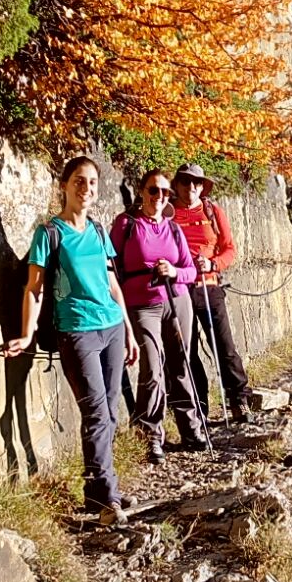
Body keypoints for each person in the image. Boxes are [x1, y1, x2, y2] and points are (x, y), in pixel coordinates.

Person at [5, 156, 139, 525]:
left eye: (92, 182)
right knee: (96, 412)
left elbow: (112, 285)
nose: (86, 188)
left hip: (112, 327)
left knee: (110, 412)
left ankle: (100, 492)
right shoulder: (49, 234)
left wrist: (128, 330)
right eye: (79, 180)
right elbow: (34, 288)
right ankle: (105, 496)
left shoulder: (98, 231)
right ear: (63, 185)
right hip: (77, 331)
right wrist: (27, 333)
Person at [110, 169, 209, 464]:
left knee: (181, 364)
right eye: (154, 190)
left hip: (177, 299)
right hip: (142, 305)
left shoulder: (173, 229)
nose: (160, 196)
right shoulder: (126, 224)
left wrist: (175, 271)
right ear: (142, 191)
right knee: (152, 368)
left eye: (166, 192)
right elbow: (111, 266)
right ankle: (150, 435)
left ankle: (190, 428)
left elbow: (190, 270)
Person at [172, 163, 252, 425]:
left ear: (202, 187)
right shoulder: (168, 213)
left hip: (209, 286)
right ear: (177, 185)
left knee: (224, 345)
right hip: (180, 289)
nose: (191, 187)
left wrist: (212, 264)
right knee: (188, 351)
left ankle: (239, 399)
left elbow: (229, 249)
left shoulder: (212, 211)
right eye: (185, 182)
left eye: (196, 182)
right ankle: (199, 408)